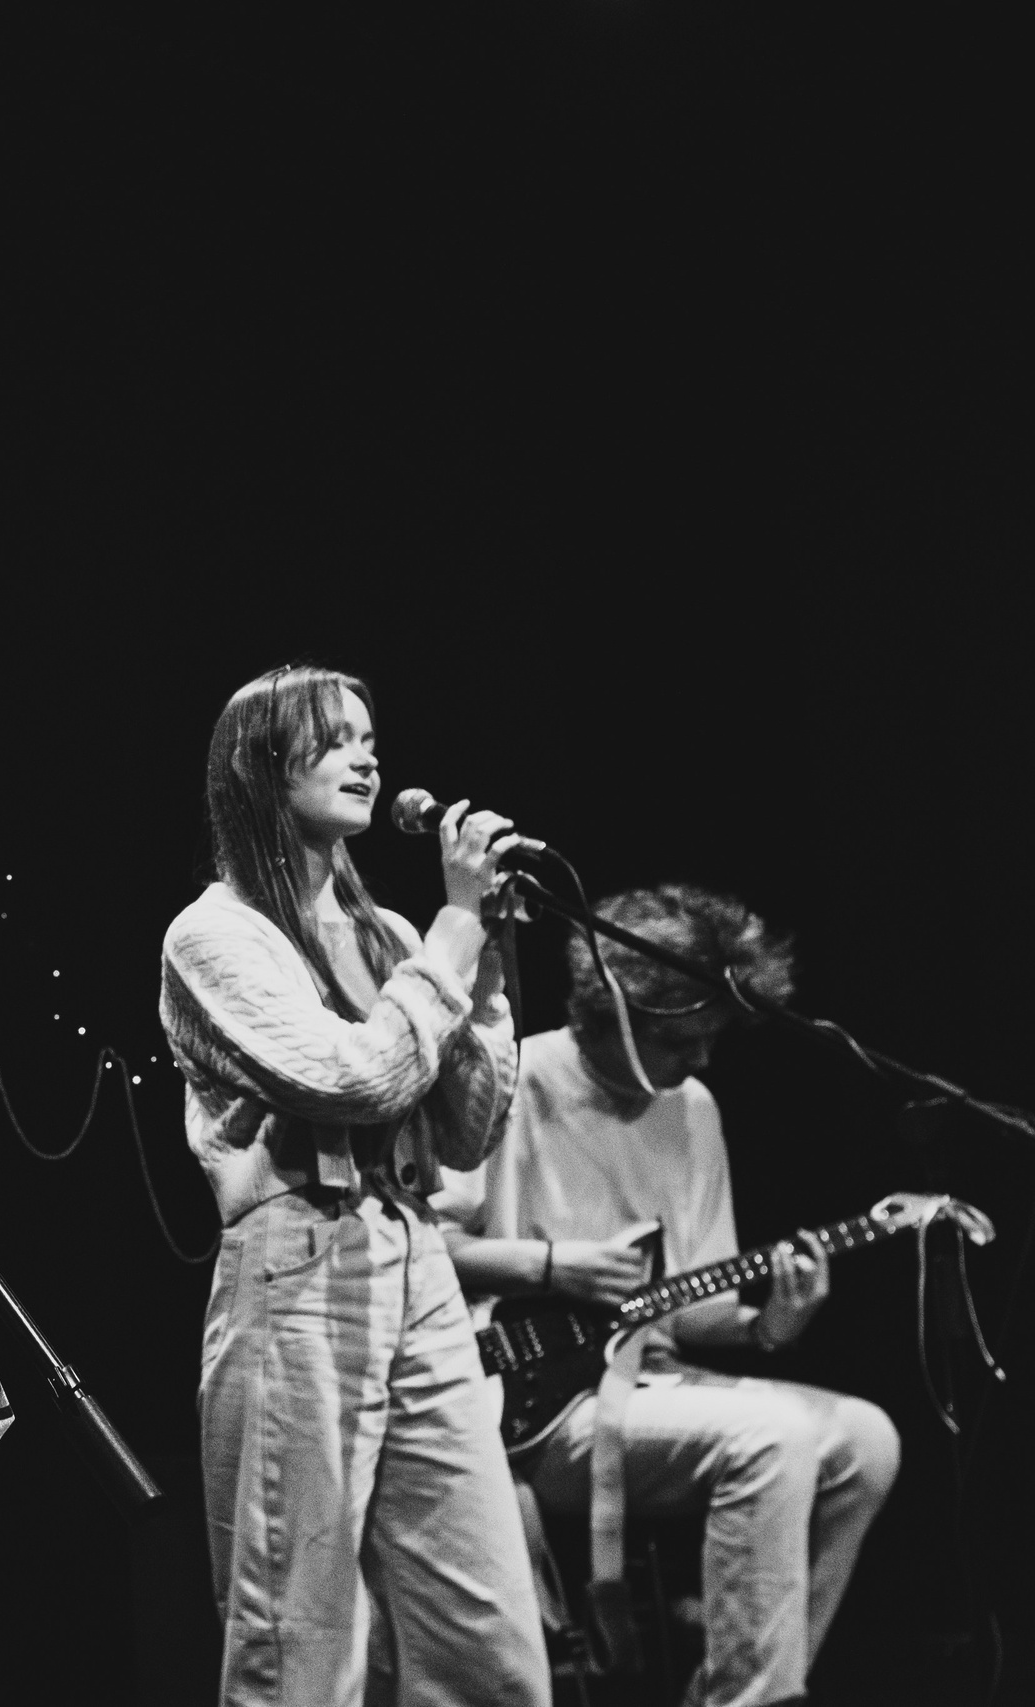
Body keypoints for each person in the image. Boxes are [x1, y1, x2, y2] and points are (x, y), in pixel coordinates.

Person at [160, 664, 550, 1706]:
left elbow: (463, 1136)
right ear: (260, 766)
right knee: (299, 1640)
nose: (368, 758)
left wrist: (491, 975)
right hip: (299, 1264)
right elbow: (355, 1079)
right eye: (335, 740)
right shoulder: (214, 936)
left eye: (371, 738)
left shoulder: (394, 939)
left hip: (415, 1264)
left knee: (490, 1647)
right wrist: (457, 937)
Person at [434, 884, 900, 1707]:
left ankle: (738, 1684)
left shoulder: (693, 1109)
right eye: (685, 1040)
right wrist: (551, 1266)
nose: (703, 1061)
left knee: (866, 1441)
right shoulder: (510, 1080)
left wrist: (768, 1327)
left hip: (653, 1383)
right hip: (531, 1401)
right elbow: (422, 1247)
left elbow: (690, 1308)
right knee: (774, 1439)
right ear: (614, 1014)